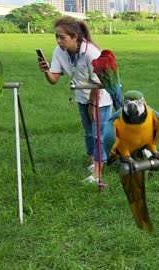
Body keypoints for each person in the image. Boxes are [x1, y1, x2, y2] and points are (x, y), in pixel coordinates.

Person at [38, 16, 113, 184]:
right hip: (82, 97)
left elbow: (98, 82)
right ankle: (92, 163)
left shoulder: (91, 52)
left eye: (62, 37)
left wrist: (93, 105)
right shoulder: (59, 51)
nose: (58, 41)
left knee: (98, 135)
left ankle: (97, 173)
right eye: (56, 36)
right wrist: (46, 70)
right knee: (88, 133)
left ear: (75, 37)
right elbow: (54, 79)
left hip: (100, 97)